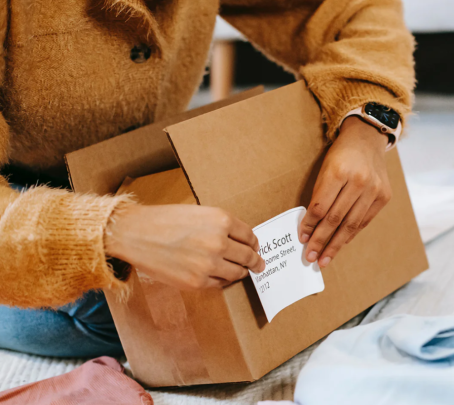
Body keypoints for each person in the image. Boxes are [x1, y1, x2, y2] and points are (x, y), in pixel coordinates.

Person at [0, 0, 414, 357]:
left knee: (208, 293)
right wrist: (114, 229)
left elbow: (354, 8)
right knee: (152, 318)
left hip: (133, 169)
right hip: (18, 199)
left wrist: (368, 120)